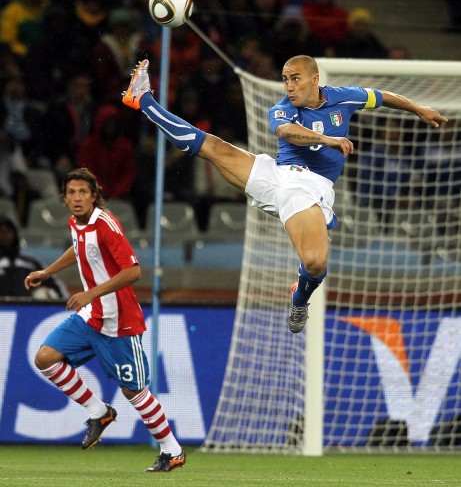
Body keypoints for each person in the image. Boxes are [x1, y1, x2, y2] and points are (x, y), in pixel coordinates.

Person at [122, 56, 447, 334]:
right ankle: (142, 100)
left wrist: (418, 109)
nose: (289, 86)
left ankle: (299, 298)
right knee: (215, 148)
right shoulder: (282, 109)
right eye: (285, 80)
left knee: (315, 262)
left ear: (314, 79)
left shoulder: (345, 98)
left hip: (311, 187)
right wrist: (330, 140)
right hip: (276, 174)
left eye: (295, 79)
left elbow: (383, 96)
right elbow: (286, 132)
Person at [24, 168, 185, 473]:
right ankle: (99, 412)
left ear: (94, 195)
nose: (77, 198)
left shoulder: (106, 225)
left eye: (83, 192)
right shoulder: (76, 223)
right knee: (45, 358)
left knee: (133, 391)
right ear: (64, 198)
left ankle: (172, 450)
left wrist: (90, 293)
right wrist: (48, 272)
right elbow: (79, 248)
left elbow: (134, 271)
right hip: (92, 316)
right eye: (71, 193)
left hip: (119, 321)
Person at [0, 214, 68, 298]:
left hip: (28, 305)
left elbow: (58, 288)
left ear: (14, 233)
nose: (4, 235)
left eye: (8, 231)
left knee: (43, 294)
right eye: (1, 231)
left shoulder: (30, 262)